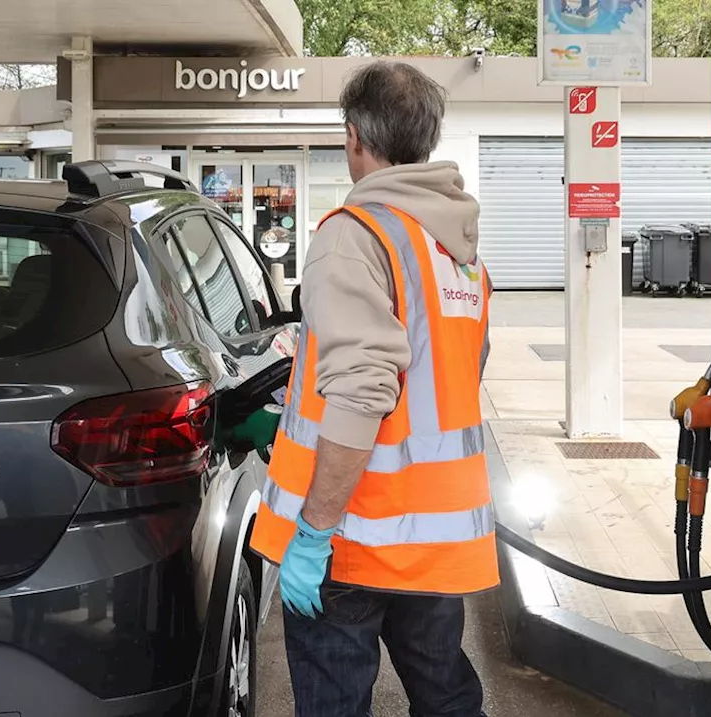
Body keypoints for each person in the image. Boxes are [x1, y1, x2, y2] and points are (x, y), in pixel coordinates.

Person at [248, 60, 496, 717]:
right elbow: (453, 379)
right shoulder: (458, 254)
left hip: (351, 538)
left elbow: (362, 391)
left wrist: (313, 532)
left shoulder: (353, 237)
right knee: (446, 696)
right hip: (433, 538)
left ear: (354, 136)